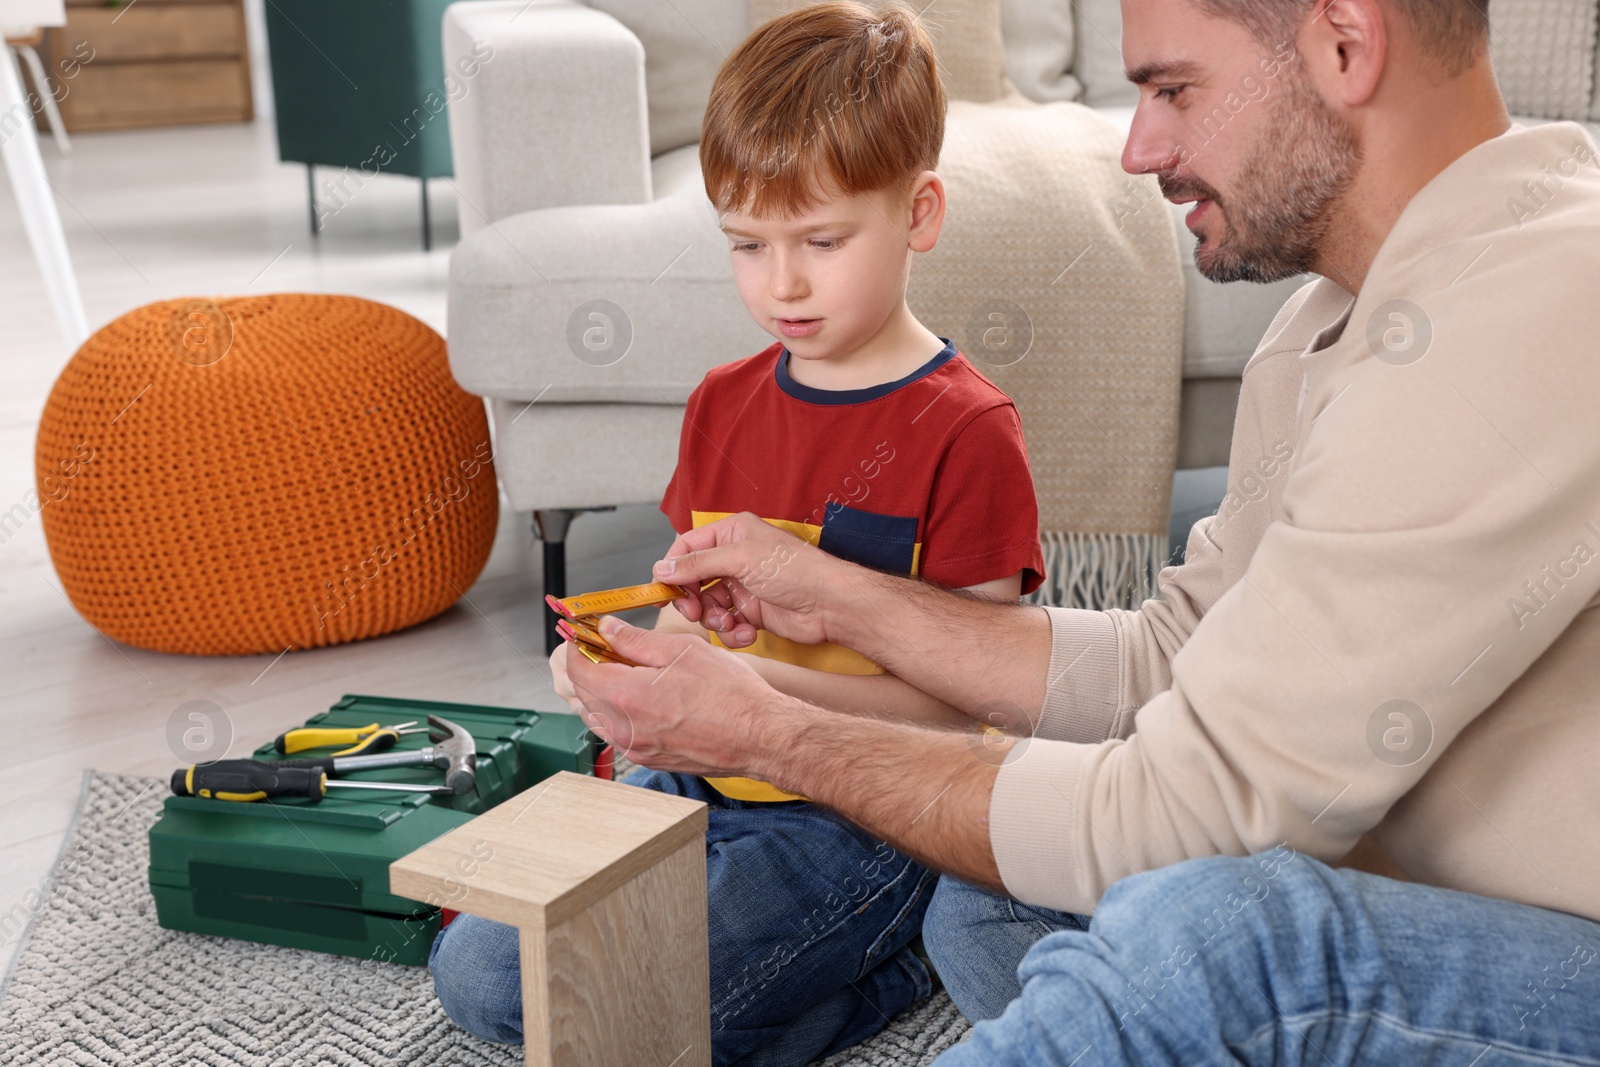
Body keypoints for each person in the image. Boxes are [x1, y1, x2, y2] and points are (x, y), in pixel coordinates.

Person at [555, 0, 1600, 1062]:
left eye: (1172, 89)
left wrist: (771, 732)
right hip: (1402, 864)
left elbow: (1190, 815)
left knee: (1219, 943)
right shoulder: (1327, 320)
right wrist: (838, 595)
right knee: (990, 897)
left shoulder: (1533, 301)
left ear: (1344, 42)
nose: (1138, 148)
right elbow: (1168, 657)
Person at [426, 4, 1047, 1063]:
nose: (783, 283)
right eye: (746, 244)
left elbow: (974, 715)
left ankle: (890, 965)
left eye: (821, 240)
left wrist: (763, 702)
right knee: (481, 972)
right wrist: (628, 665)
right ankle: (827, 979)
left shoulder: (965, 430)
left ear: (920, 212)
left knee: (632, 1009)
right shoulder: (720, 401)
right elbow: (700, 624)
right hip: (692, 777)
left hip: (863, 819)